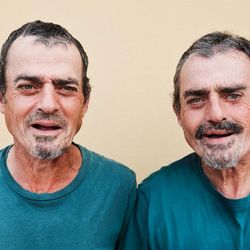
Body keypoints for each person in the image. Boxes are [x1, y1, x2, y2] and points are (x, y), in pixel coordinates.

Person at [0, 20, 136, 250]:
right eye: (28, 86)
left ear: (85, 102)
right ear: (2, 98)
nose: (48, 104)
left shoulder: (120, 186)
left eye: (66, 88)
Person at [123, 32, 250, 250]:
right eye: (196, 100)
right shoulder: (153, 200)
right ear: (178, 113)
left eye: (233, 95)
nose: (215, 114)